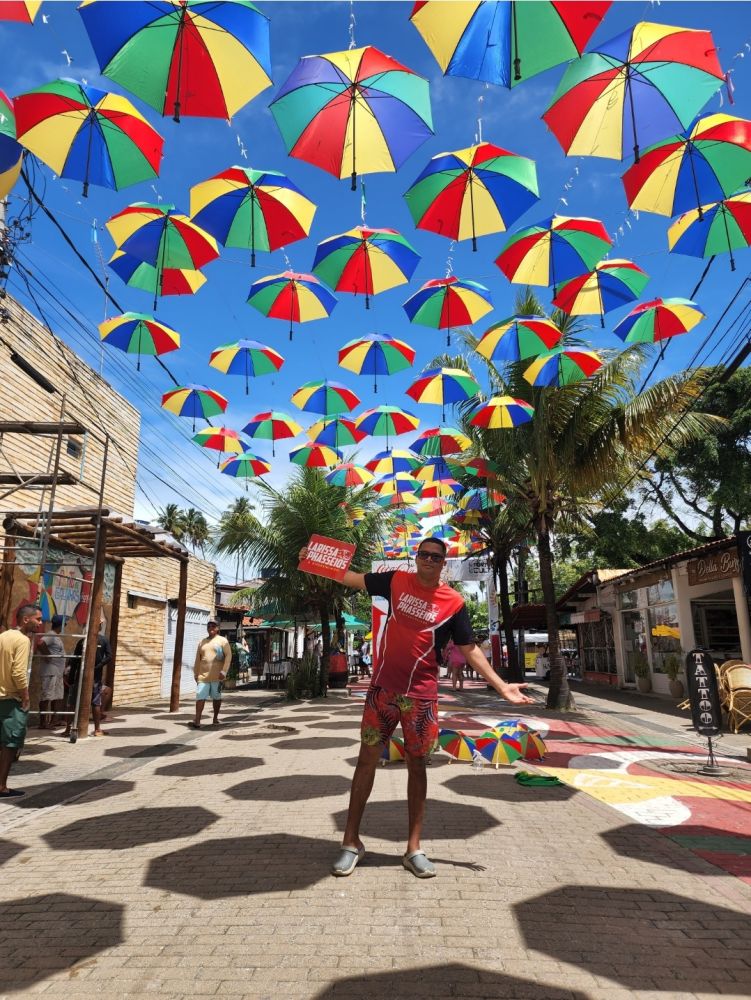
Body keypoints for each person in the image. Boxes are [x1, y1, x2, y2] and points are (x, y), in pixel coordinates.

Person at [298, 536, 533, 880]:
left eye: (435, 557)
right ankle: (351, 843)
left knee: (417, 767)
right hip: (382, 691)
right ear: (416, 557)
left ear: (443, 563)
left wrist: (501, 686)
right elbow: (350, 577)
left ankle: (414, 848)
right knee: (366, 762)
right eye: (423, 554)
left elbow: (469, 649)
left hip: (422, 698)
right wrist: (315, 560)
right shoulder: (395, 580)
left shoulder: (453, 603)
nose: (428, 560)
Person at [0, 604, 43, 797]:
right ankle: (1, 786)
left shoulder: (3, 637)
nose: (40, 624)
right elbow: (18, 672)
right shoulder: (23, 641)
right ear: (26, 619)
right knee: (11, 744)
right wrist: (25, 696)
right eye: (38, 619)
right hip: (11, 699)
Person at [63, 619, 112, 737]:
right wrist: (99, 666)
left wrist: (71, 677)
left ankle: (68, 729)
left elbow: (74, 660)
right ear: (99, 626)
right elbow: (109, 656)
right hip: (94, 677)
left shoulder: (82, 641)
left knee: (73, 703)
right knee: (95, 703)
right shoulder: (103, 640)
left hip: (80, 676)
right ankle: (97, 729)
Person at [191, 620, 231, 729]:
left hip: (217, 677)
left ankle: (215, 718)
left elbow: (228, 656)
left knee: (217, 698)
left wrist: (224, 671)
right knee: (200, 697)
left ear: (218, 628)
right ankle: (197, 720)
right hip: (203, 676)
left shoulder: (223, 641)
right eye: (209, 626)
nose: (211, 627)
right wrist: (196, 673)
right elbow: (198, 659)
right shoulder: (202, 642)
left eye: (213, 626)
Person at [37, 614, 66, 729]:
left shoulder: (56, 637)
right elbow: (40, 643)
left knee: (57, 696)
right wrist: (47, 655)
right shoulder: (51, 635)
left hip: (57, 672)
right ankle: (43, 722)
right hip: (50, 671)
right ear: (61, 625)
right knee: (47, 696)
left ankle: (54, 721)